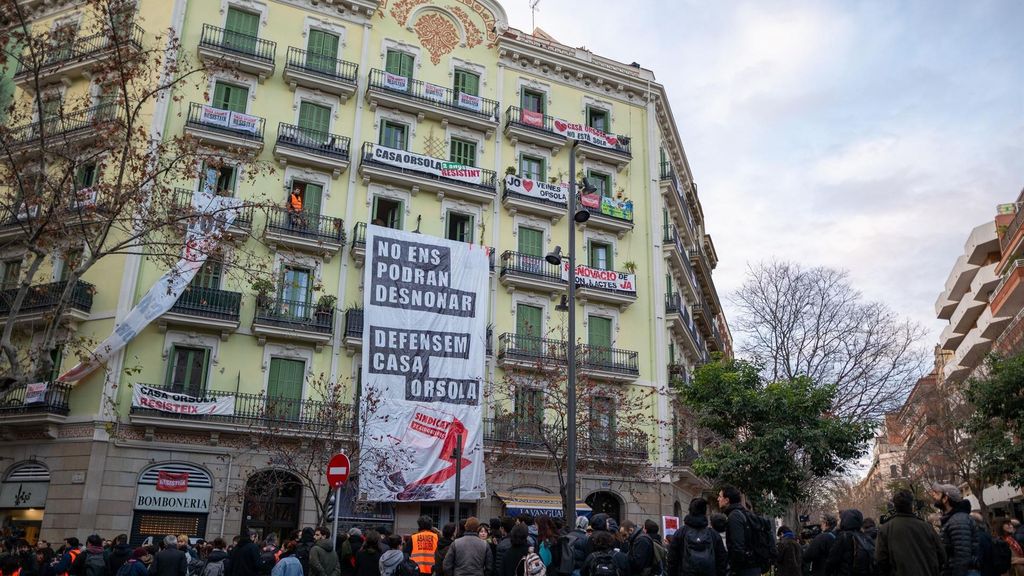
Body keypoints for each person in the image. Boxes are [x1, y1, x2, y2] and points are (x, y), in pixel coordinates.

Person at [875, 490, 945, 576]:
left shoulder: (885, 529)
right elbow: (941, 555)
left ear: (895, 506)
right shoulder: (927, 527)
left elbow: (881, 561)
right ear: (912, 505)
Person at [667, 497, 726, 576]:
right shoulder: (713, 534)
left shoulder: (680, 533)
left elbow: (672, 561)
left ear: (690, 511)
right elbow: (721, 561)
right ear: (704, 512)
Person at [931, 483, 979, 576]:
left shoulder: (958, 521)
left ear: (945, 499)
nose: (933, 495)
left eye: (937, 493)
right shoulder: (953, 519)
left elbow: (962, 555)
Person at [717, 486, 760, 576]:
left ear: (727, 500)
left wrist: (733, 569)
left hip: (744, 569)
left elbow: (738, 546)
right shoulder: (743, 513)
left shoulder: (734, 516)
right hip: (752, 566)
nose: (718, 499)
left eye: (720, 496)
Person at [824, 509, 875, 576]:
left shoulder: (843, 536)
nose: (838, 522)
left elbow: (832, 560)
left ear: (845, 520)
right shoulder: (865, 536)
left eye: (840, 519)